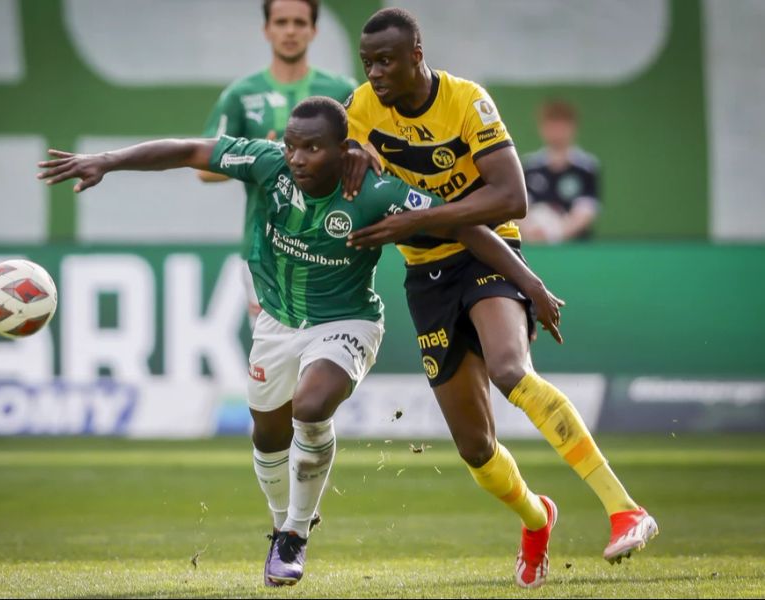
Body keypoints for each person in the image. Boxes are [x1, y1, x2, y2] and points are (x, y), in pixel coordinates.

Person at [37, 96, 565, 587]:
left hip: (348, 321)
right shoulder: (267, 163)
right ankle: (285, 524)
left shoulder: (377, 190)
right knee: (268, 435)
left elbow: (469, 229)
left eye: (312, 147)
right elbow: (189, 150)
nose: (296, 157)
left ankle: (293, 535)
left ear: (345, 150)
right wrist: (106, 160)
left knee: (310, 407)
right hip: (276, 324)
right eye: (292, 145)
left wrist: (530, 283)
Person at [342, 8, 657, 589]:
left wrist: (525, 280)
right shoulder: (361, 106)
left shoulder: (466, 101)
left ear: (417, 54)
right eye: (367, 63)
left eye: (385, 60)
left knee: (512, 370)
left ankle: (625, 509)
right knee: (476, 449)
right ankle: (537, 519)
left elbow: (512, 198)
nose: (375, 73)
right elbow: (337, 147)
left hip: (489, 253)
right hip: (425, 276)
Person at [197, 0, 357, 325]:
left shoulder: (343, 91)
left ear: (313, 30)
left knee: (327, 363)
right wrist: (258, 156)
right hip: (264, 251)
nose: (290, 31)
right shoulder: (241, 94)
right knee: (276, 367)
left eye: (299, 23)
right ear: (266, 29)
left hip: (331, 249)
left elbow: (364, 156)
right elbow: (204, 170)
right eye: (281, 22)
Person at [519, 99, 601, 243]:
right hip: (537, 247)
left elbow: (586, 212)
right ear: (542, 128)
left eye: (562, 126)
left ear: (573, 127)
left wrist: (555, 233)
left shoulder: (587, 167)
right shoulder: (529, 166)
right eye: (552, 126)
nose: (557, 132)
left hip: (575, 248)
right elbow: (518, 209)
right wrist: (531, 232)